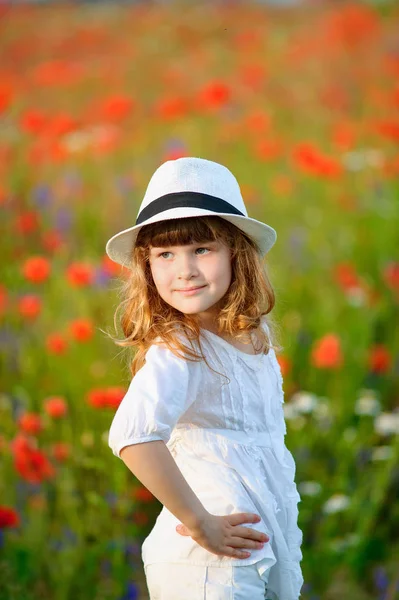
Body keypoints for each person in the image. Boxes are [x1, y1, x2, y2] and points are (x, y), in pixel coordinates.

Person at [105, 157, 304, 600]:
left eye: (202, 249)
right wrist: (199, 522)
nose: (185, 270)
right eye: (165, 255)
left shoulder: (254, 336)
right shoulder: (180, 346)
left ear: (237, 252)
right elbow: (134, 435)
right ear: (147, 266)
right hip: (204, 563)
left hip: (252, 546)